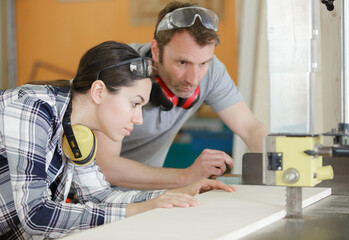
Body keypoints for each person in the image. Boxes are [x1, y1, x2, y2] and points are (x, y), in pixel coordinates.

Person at [0, 40, 236, 239]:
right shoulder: (32, 108)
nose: (139, 118)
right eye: (135, 103)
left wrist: (178, 194)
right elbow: (36, 215)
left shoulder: (79, 132)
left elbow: (101, 196)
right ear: (99, 92)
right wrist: (137, 209)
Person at [95, 1, 269, 191]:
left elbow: (250, 127)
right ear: (156, 50)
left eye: (203, 63)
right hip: (95, 193)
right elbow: (106, 166)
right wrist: (186, 176)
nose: (194, 80)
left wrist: (281, 162)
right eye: (182, 62)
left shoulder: (211, 72)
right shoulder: (120, 72)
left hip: (146, 193)